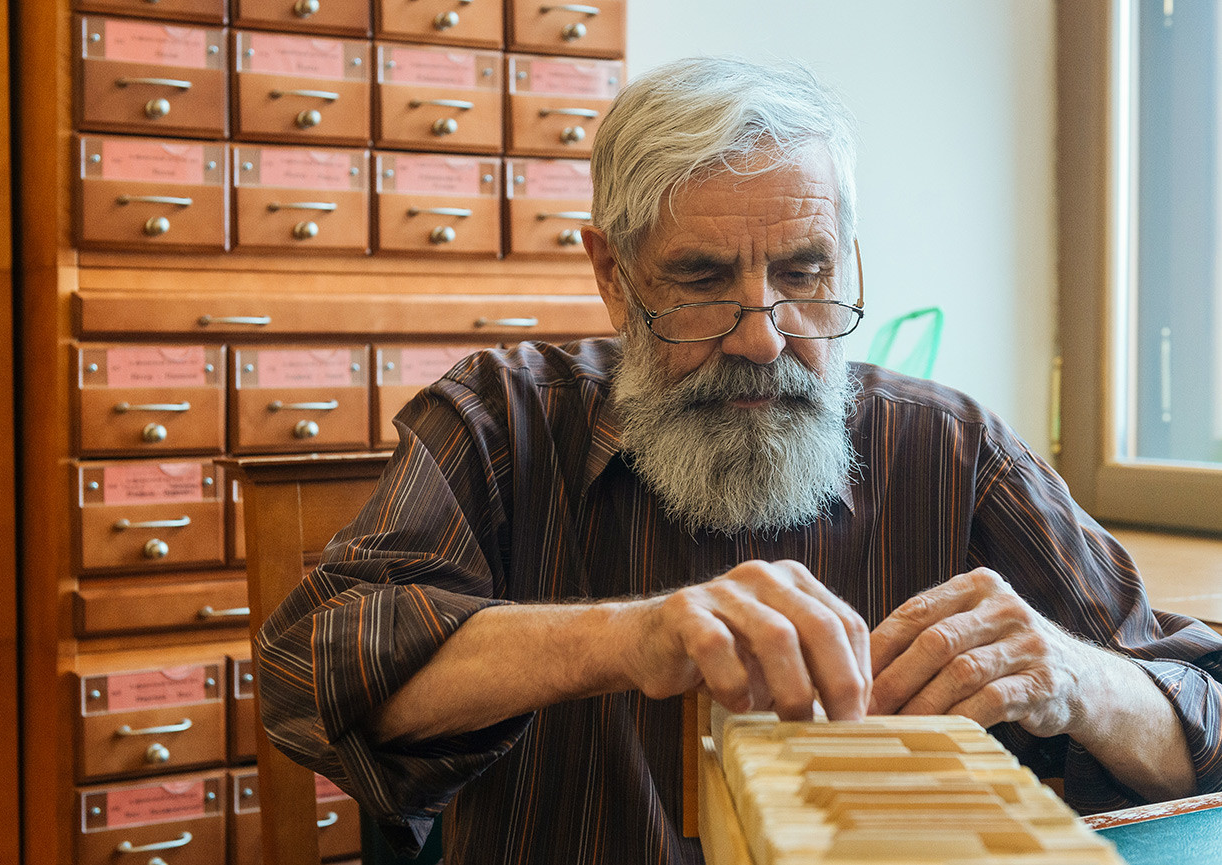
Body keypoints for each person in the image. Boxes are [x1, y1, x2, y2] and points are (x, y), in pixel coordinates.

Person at [254, 57, 1222, 864]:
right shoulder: (500, 422)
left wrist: (1074, 678)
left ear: (843, 259)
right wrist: (626, 639)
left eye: (803, 273)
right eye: (703, 279)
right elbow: (311, 670)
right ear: (610, 274)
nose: (763, 336)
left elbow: (1203, 717)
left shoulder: (952, 451)